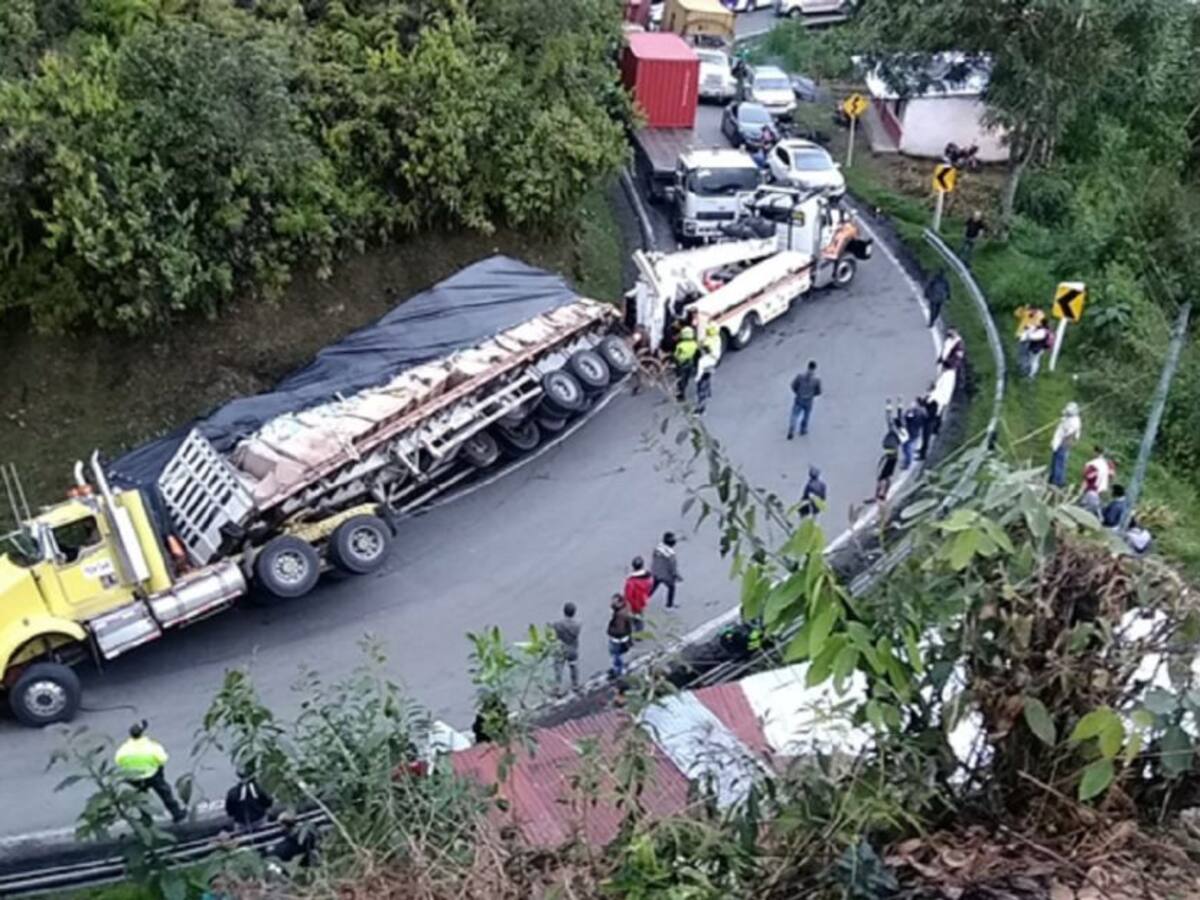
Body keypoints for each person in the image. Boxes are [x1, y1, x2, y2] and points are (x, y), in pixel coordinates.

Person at [114, 721, 186, 823]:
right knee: (165, 793)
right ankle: (177, 814)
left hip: (134, 778)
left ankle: (146, 820)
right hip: (152, 775)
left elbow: (118, 761)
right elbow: (163, 759)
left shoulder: (123, 749)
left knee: (141, 799)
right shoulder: (151, 746)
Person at [224, 766, 273, 833]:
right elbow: (268, 803)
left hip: (241, 824)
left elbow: (230, 812)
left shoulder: (232, 793)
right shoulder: (259, 789)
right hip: (260, 821)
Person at [1049, 401, 1082, 487]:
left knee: (1060, 462)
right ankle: (1052, 478)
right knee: (1055, 461)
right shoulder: (1066, 418)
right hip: (1058, 443)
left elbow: (1071, 434)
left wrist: (1064, 443)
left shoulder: (1075, 421)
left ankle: (1057, 481)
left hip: (1063, 444)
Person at [550, 602, 581, 693]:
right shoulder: (578, 624)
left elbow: (554, 636)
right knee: (573, 666)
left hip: (561, 648)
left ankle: (557, 687)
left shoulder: (557, 624)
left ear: (564, 611)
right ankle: (575, 685)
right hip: (573, 649)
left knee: (558, 667)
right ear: (574, 612)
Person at [787, 360, 822, 440]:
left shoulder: (800, 376)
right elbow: (819, 391)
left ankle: (792, 427)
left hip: (799, 398)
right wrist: (812, 394)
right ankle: (803, 429)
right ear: (815, 368)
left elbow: (793, 385)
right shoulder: (816, 380)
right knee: (806, 416)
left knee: (795, 414)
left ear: (808, 366)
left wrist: (797, 392)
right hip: (809, 400)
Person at [875, 403, 902, 502]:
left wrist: (888, 409)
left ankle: (880, 493)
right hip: (894, 455)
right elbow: (899, 419)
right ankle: (884, 493)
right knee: (887, 476)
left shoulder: (894, 431)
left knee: (881, 476)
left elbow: (889, 421)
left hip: (889, 456)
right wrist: (899, 407)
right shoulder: (902, 432)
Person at [650, 532, 682, 608]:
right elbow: (672, 567)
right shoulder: (671, 554)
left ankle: (643, 598)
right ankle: (669, 605)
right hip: (666, 575)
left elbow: (654, 558)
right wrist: (677, 576)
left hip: (656, 572)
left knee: (653, 586)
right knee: (672, 587)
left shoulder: (658, 548)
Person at [606, 595, 633, 679]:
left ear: (620, 603)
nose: (612, 603)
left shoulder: (620, 615)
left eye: (614, 602)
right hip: (623, 639)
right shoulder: (623, 610)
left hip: (618, 640)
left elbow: (619, 630)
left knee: (616, 655)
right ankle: (618, 669)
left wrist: (610, 631)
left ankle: (618, 671)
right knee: (617, 655)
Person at [624, 557, 653, 633]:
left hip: (633, 604)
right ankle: (639, 633)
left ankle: (633, 631)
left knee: (633, 618)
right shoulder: (647, 577)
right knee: (639, 618)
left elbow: (628, 596)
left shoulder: (631, 582)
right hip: (642, 601)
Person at [673, 326, 699, 402]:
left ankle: (681, 395)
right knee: (686, 379)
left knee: (680, 379)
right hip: (690, 363)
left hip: (681, 364)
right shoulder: (694, 344)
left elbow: (676, 355)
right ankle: (683, 389)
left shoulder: (680, 345)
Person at [901, 397, 926, 470]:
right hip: (915, 431)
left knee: (906, 448)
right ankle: (907, 461)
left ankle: (907, 463)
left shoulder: (914, 412)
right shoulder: (923, 411)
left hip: (910, 431)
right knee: (908, 446)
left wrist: (910, 410)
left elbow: (906, 418)